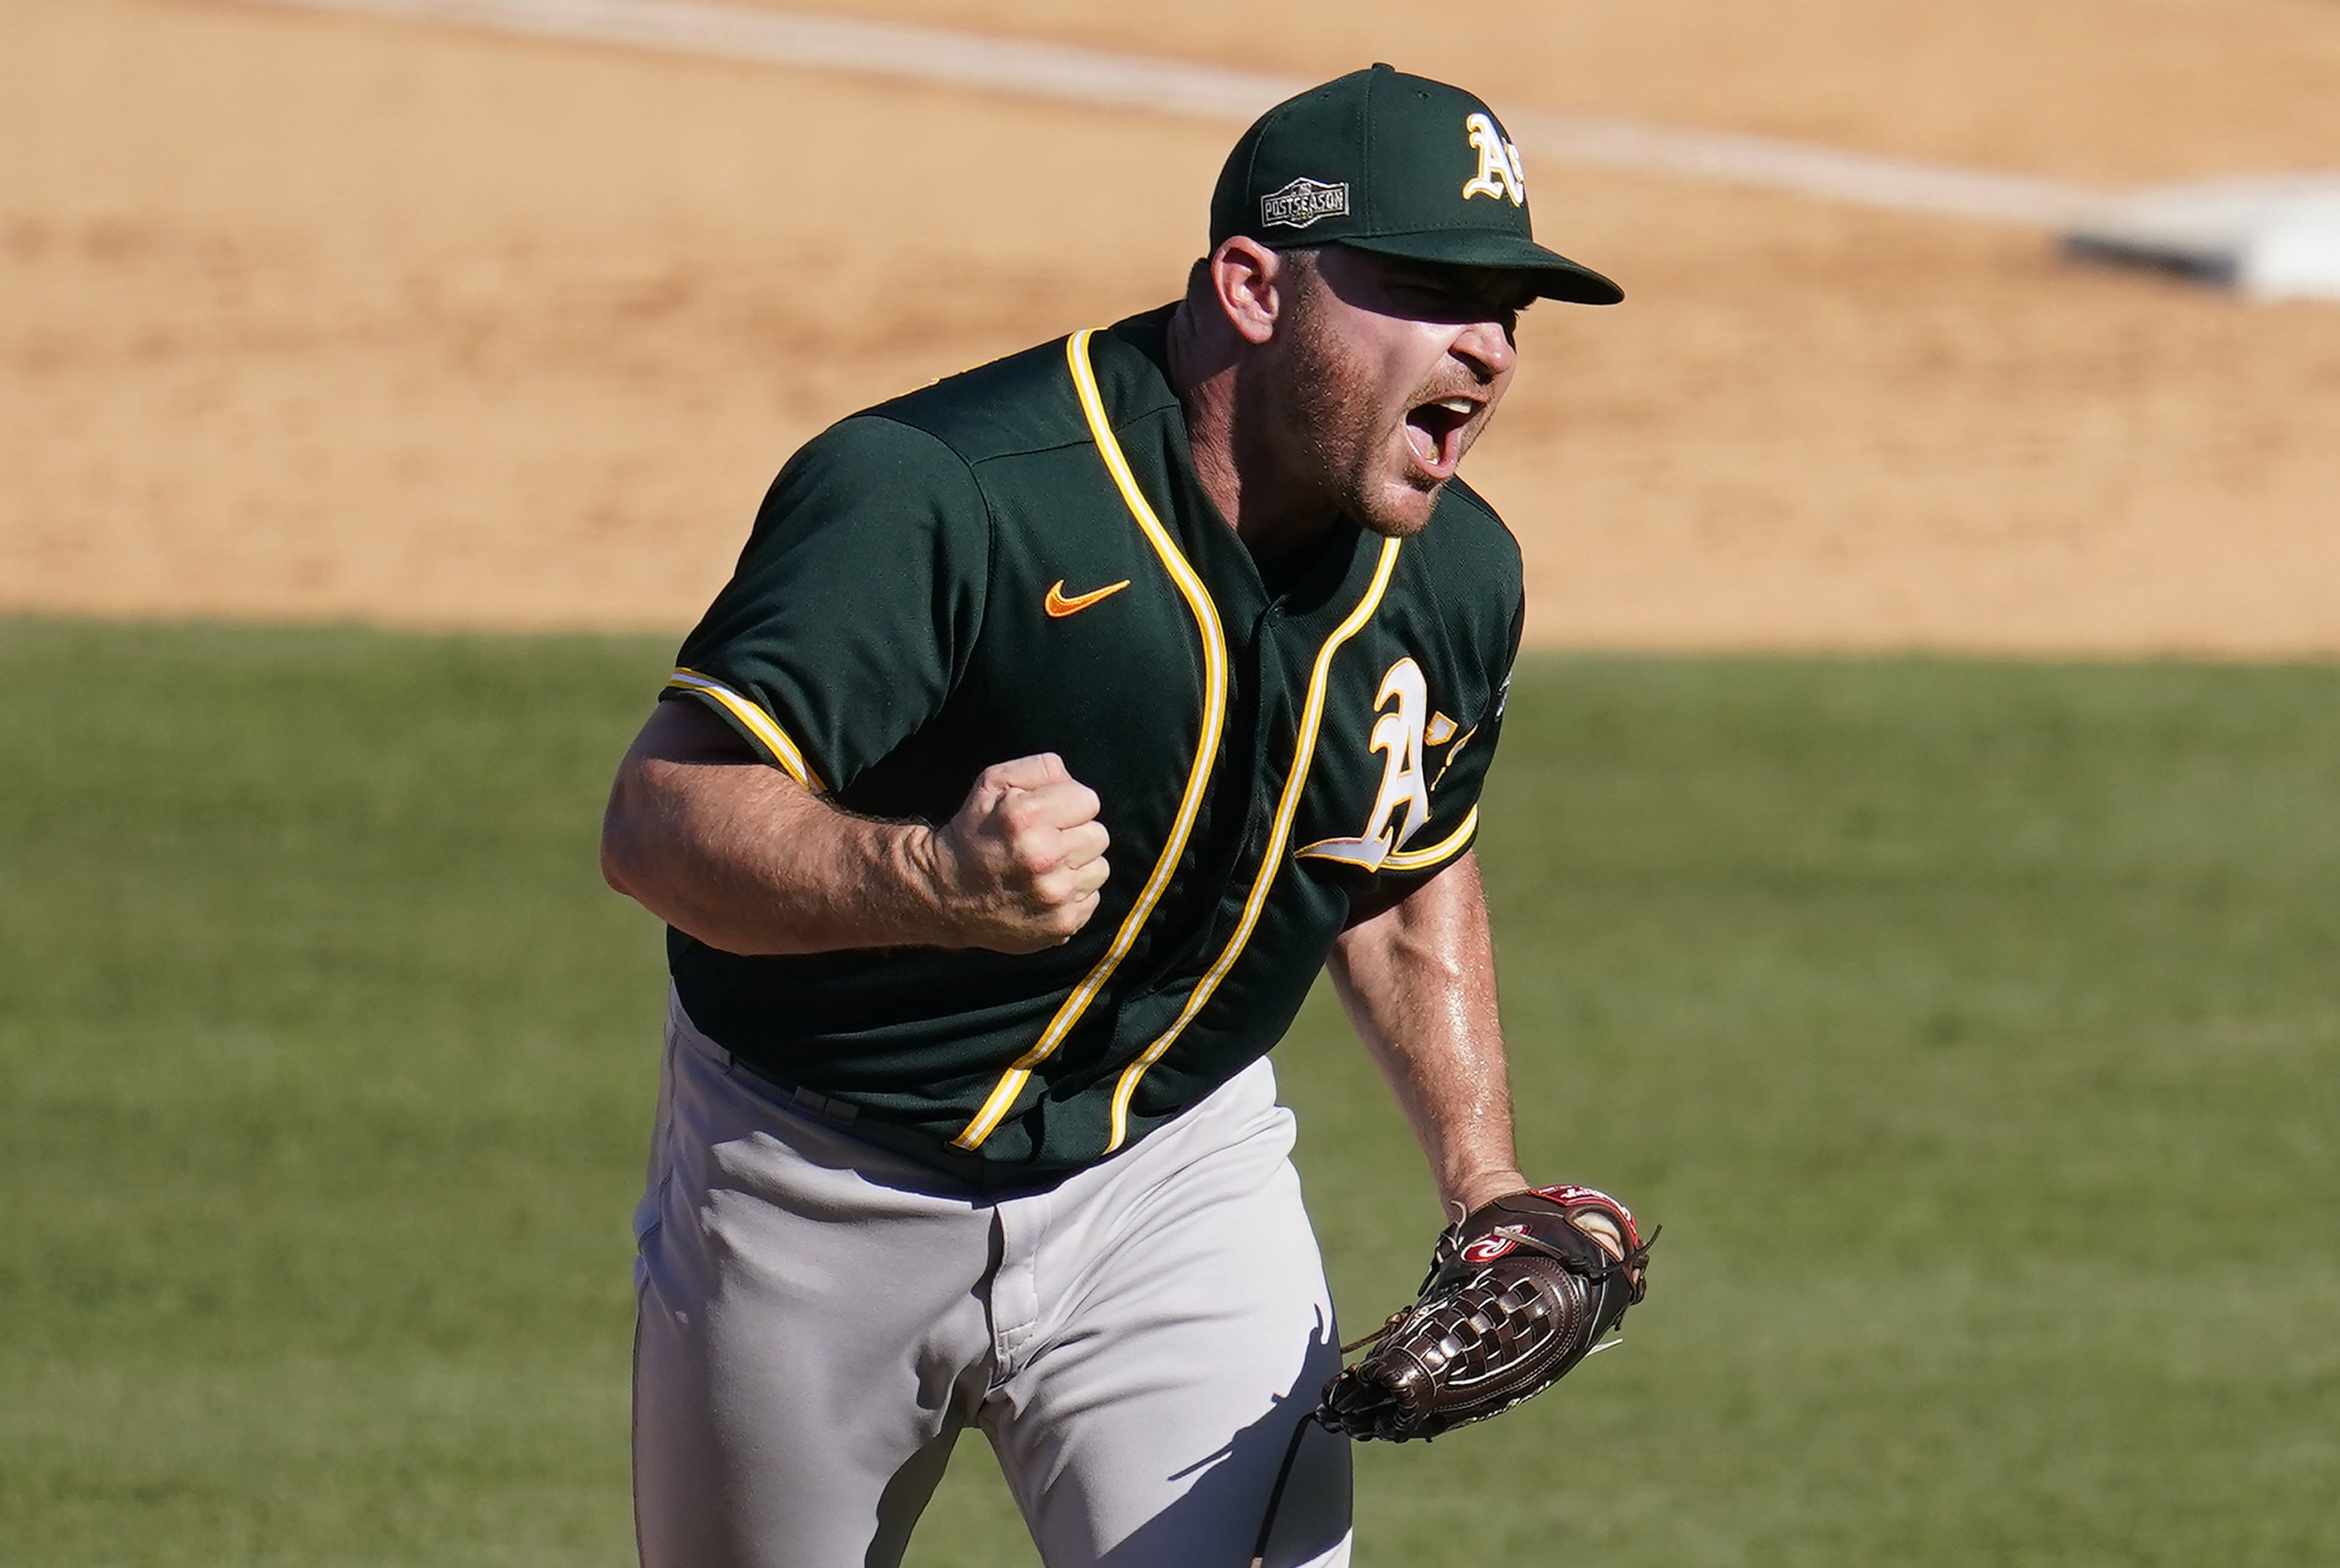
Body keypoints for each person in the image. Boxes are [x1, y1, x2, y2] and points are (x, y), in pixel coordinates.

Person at [599, 62, 1624, 1568]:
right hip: (815, 1182)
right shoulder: (946, 492)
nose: (1484, 344)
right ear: (1254, 287)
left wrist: (1487, 1179)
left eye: (1510, 310)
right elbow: (659, 819)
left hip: (1172, 1183)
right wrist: (923, 878)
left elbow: (1400, 876)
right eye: (1425, 286)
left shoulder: (1456, 578)